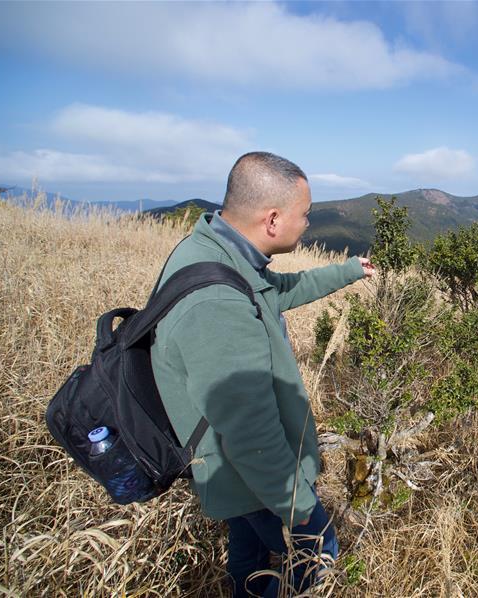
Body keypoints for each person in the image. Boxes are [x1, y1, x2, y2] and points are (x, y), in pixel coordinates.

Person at [150, 151, 375, 596]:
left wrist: (350, 270)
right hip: (249, 474)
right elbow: (251, 433)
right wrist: (300, 505)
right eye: (305, 215)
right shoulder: (219, 303)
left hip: (231, 473)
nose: (309, 223)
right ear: (273, 220)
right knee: (317, 553)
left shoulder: (214, 253)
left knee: (249, 551)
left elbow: (278, 292)